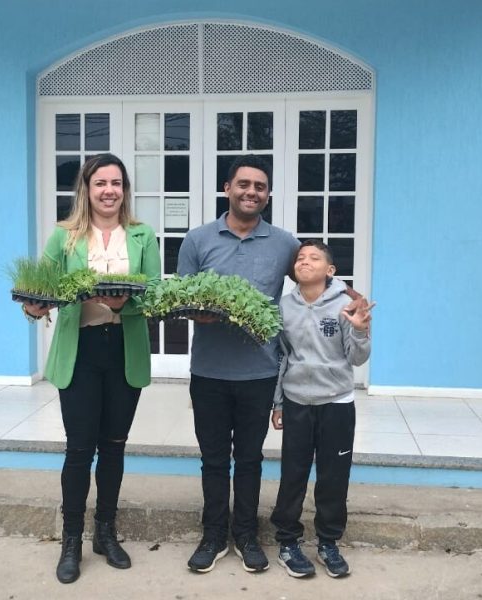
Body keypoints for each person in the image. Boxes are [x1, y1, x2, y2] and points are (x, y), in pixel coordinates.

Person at [22, 153, 161, 585]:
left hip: (123, 348)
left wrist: (127, 303)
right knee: (80, 448)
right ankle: (71, 541)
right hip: (80, 350)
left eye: (116, 183)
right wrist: (32, 307)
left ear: (125, 189)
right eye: (100, 183)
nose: (109, 191)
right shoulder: (63, 237)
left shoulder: (142, 235)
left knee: (114, 446)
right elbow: (39, 291)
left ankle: (106, 532)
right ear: (85, 189)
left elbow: (153, 295)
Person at [176, 154, 300, 573]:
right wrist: (198, 313)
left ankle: (246, 534)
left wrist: (347, 301)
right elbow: (183, 301)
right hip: (209, 371)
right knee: (213, 458)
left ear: (267, 196)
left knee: (249, 458)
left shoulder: (285, 244)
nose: (251, 192)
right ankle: (213, 534)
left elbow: (313, 284)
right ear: (227, 189)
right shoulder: (197, 240)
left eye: (260, 187)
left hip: (259, 371)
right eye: (243, 184)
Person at [269, 239, 373, 580]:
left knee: (333, 477)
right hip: (298, 401)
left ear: (330, 270)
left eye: (314, 258)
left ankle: (328, 542)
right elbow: (283, 357)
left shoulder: (346, 304)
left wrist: (360, 329)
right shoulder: (284, 306)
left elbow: (357, 358)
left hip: (337, 403)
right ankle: (288, 542)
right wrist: (279, 402)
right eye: (300, 258)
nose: (305, 262)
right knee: (293, 475)